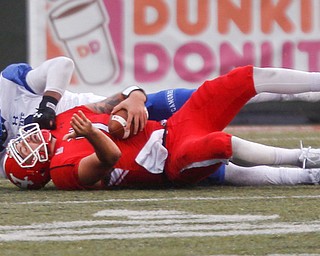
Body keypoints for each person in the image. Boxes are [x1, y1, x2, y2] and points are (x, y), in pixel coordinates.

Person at [4, 65, 320, 190]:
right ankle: (307, 161)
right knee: (220, 148)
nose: (26, 141)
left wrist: (135, 98)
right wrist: (91, 133)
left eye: (22, 144)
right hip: (168, 159)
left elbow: (121, 95)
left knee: (242, 78)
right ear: (34, 170)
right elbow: (109, 157)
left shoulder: (60, 117)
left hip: (166, 125)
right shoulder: (62, 170)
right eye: (25, 151)